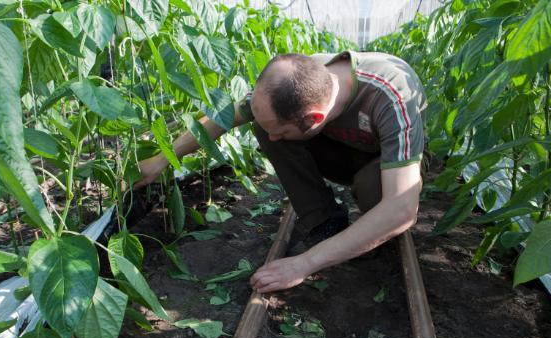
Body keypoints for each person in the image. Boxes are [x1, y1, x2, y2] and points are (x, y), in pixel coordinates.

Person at [134, 50, 427, 294]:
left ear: (314, 118)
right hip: (338, 149)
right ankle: (325, 221)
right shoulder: (293, 83)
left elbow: (401, 209)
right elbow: (222, 118)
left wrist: (304, 263)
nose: (272, 142)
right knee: (266, 125)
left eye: (282, 131)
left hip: (383, 165)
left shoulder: (391, 95)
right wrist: (162, 159)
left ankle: (361, 231)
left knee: (375, 193)